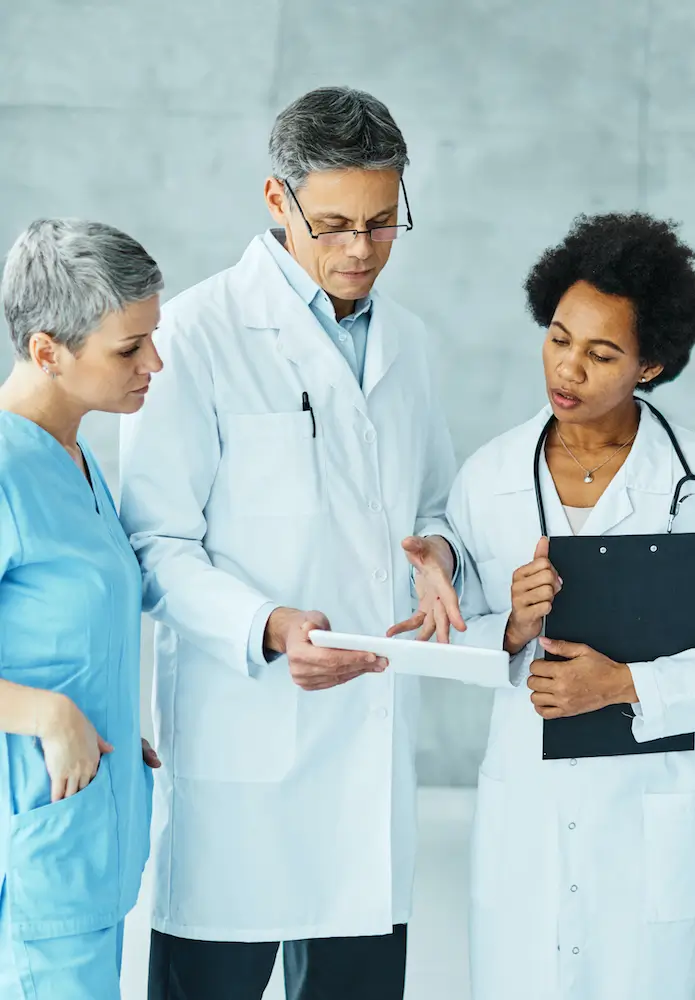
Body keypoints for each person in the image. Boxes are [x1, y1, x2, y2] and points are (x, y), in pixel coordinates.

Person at [119, 86, 464, 1000]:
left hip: (369, 741)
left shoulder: (411, 344)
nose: (359, 250)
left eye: (384, 223)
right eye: (335, 224)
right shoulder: (194, 334)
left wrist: (437, 550)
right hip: (248, 739)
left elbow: (430, 501)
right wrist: (266, 625)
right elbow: (154, 541)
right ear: (277, 203)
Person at [445, 212, 695, 1000]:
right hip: (529, 812)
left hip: (650, 809)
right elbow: (453, 640)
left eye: (600, 353)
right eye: (557, 337)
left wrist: (626, 687)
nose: (567, 369)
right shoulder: (487, 479)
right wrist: (513, 628)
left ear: (649, 364)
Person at [0, 218, 164, 1000]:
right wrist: (48, 714)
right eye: (128, 348)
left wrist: (102, 716)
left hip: (87, 830)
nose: (153, 363)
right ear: (46, 351)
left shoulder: (77, 458)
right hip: (35, 852)